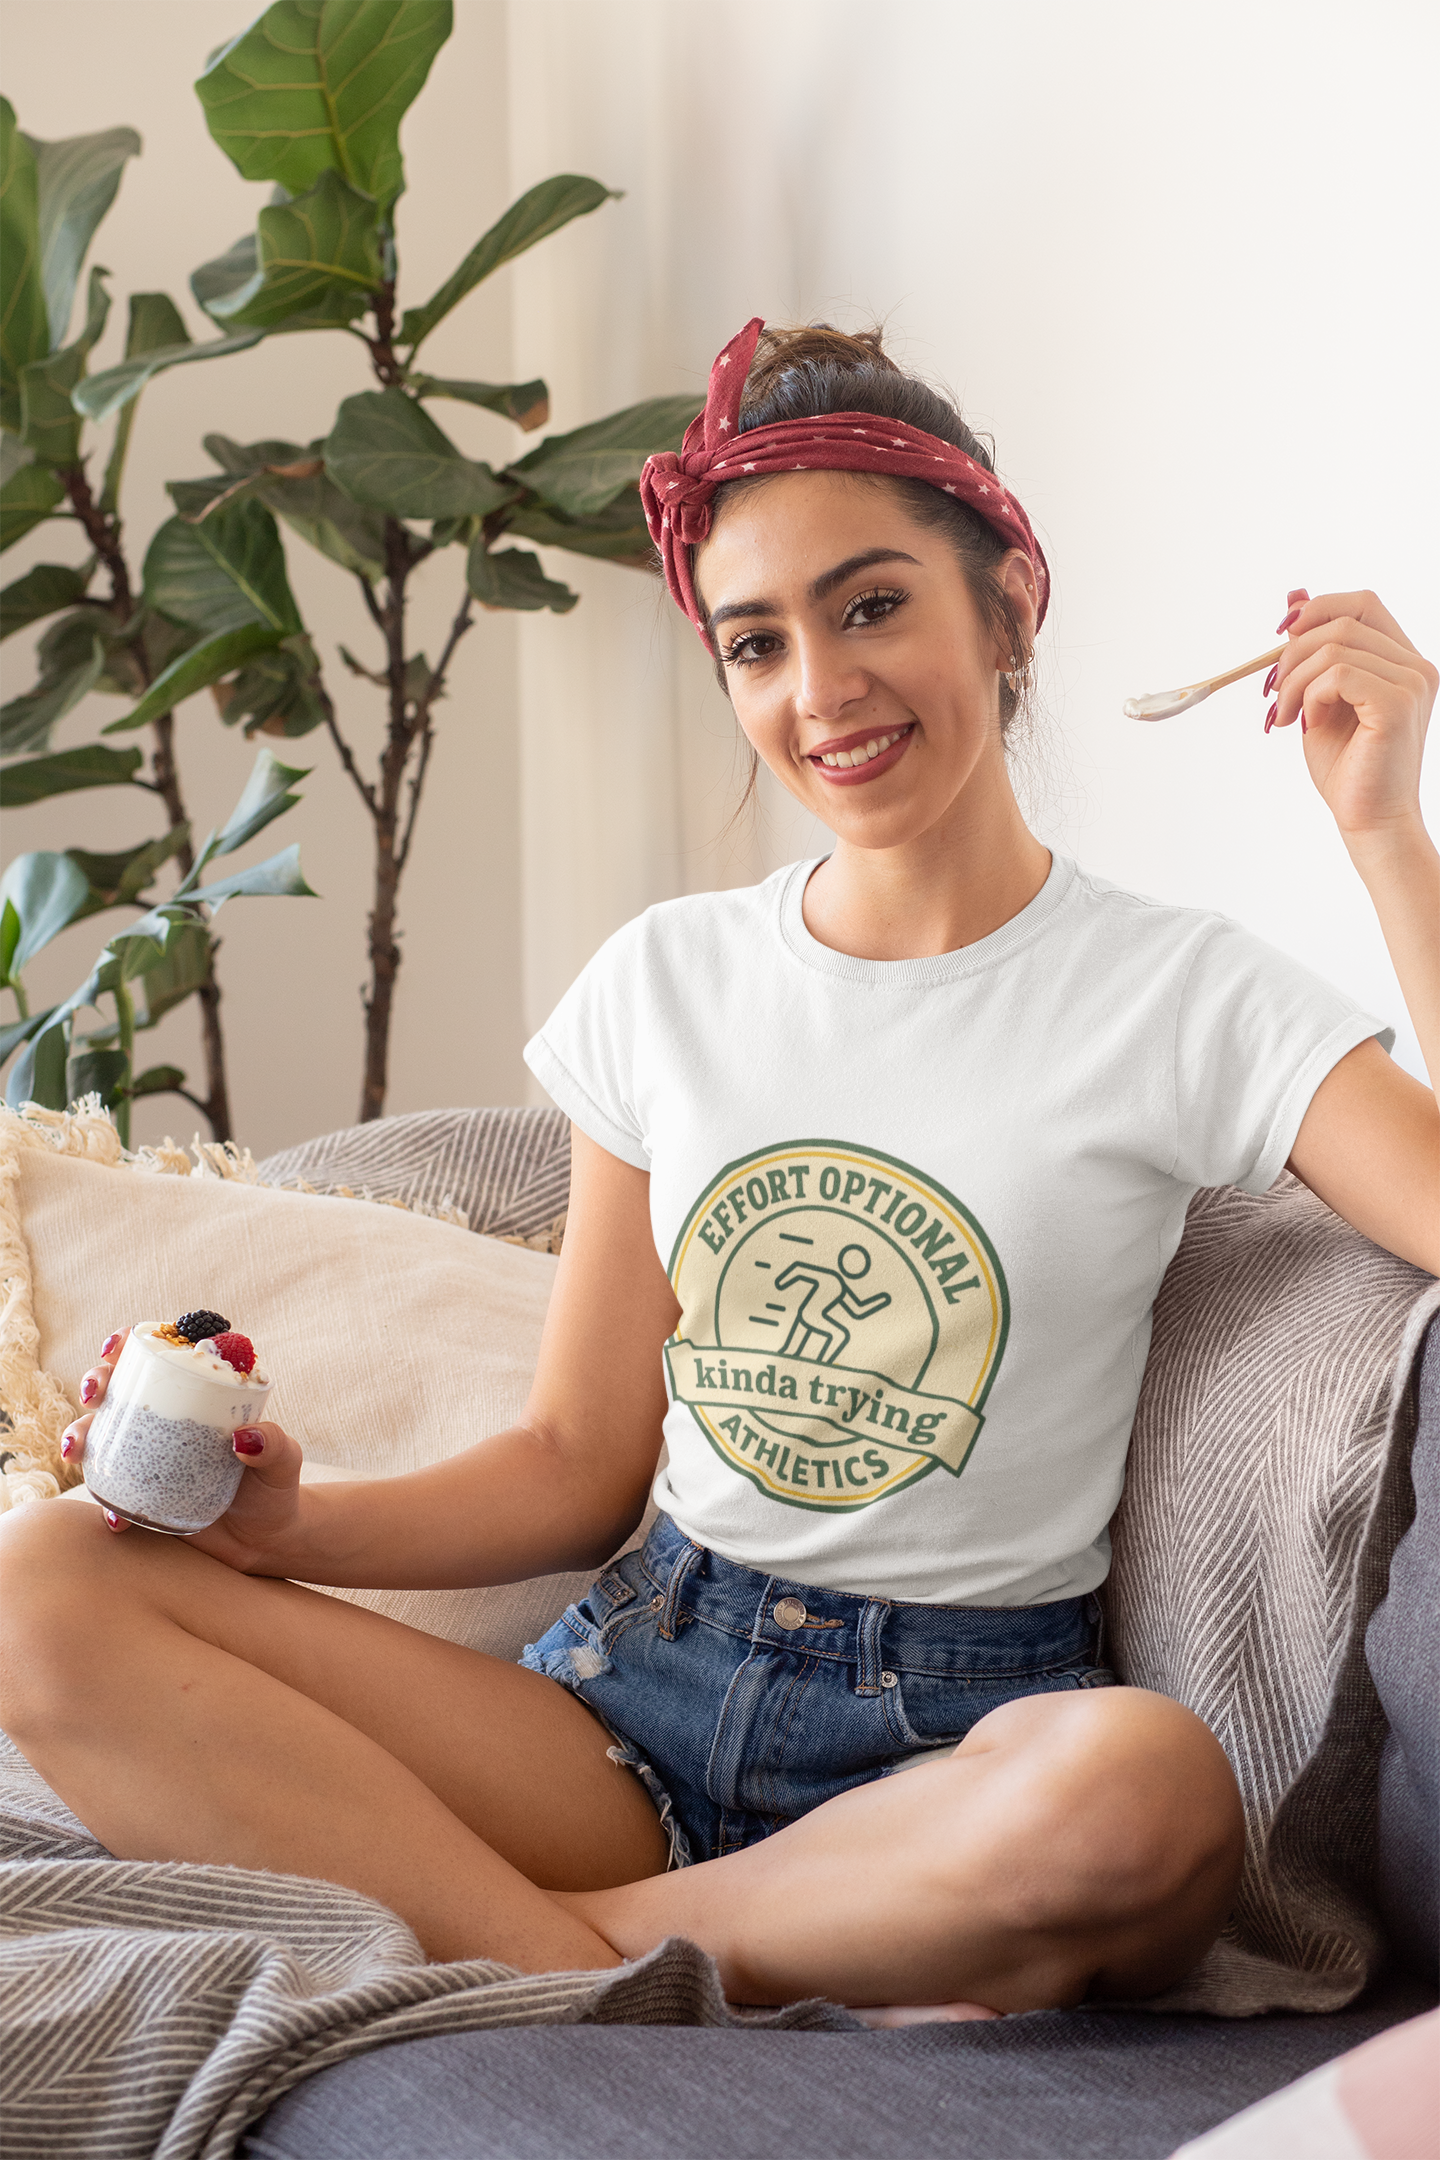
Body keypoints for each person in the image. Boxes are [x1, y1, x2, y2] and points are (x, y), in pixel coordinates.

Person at [2, 316, 1438, 2024]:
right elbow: (570, 1460)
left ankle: (552, 1944)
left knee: (1151, 1790)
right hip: (638, 1691)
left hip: (950, 1751)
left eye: (873, 603)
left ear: (1013, 602)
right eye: (755, 643)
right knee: (46, 1578)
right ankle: (612, 1951)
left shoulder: (1178, 990)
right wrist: (292, 1528)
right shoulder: (666, 982)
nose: (820, 690)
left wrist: (1381, 826)